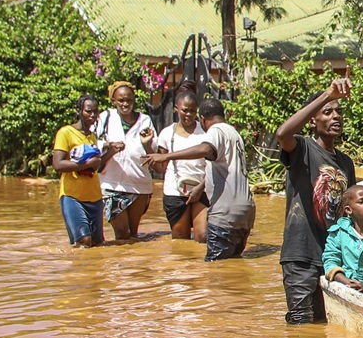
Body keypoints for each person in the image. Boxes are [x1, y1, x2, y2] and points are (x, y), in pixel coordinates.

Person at [275, 77, 356, 324]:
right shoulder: (302, 149)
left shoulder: (345, 163)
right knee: (301, 324)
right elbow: (282, 133)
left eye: (339, 111)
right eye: (328, 112)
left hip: (332, 257)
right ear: (313, 120)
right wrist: (327, 94)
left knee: (325, 324)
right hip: (300, 255)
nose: (336, 117)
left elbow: (349, 213)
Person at [151, 95, 255, 261]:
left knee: (215, 268)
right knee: (233, 263)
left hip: (225, 212)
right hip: (245, 211)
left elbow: (205, 149)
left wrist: (167, 156)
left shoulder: (215, 131)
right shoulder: (234, 132)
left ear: (202, 119)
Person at [51, 94, 118, 248]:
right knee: (83, 241)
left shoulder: (92, 137)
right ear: (79, 111)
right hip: (72, 196)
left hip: (94, 197)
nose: (92, 115)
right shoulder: (65, 132)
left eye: (95, 112)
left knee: (97, 244)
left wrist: (108, 153)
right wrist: (85, 164)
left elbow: (96, 167)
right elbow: (58, 164)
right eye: (88, 111)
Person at [96, 81, 157, 242]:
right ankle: (119, 266)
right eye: (121, 100)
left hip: (139, 185)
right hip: (111, 185)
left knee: (133, 235)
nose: (125, 104)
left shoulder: (145, 120)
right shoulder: (106, 118)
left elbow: (154, 156)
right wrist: (110, 147)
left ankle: (134, 265)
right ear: (113, 101)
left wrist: (146, 143)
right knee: (122, 234)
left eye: (129, 100)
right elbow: (94, 144)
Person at [154, 88, 210, 240]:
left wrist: (200, 188)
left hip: (202, 189)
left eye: (193, 110)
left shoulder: (205, 132)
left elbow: (213, 165)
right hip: (175, 192)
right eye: (185, 110)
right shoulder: (166, 133)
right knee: (180, 239)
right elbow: (160, 168)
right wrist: (147, 147)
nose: (189, 114)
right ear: (176, 108)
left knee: (203, 236)